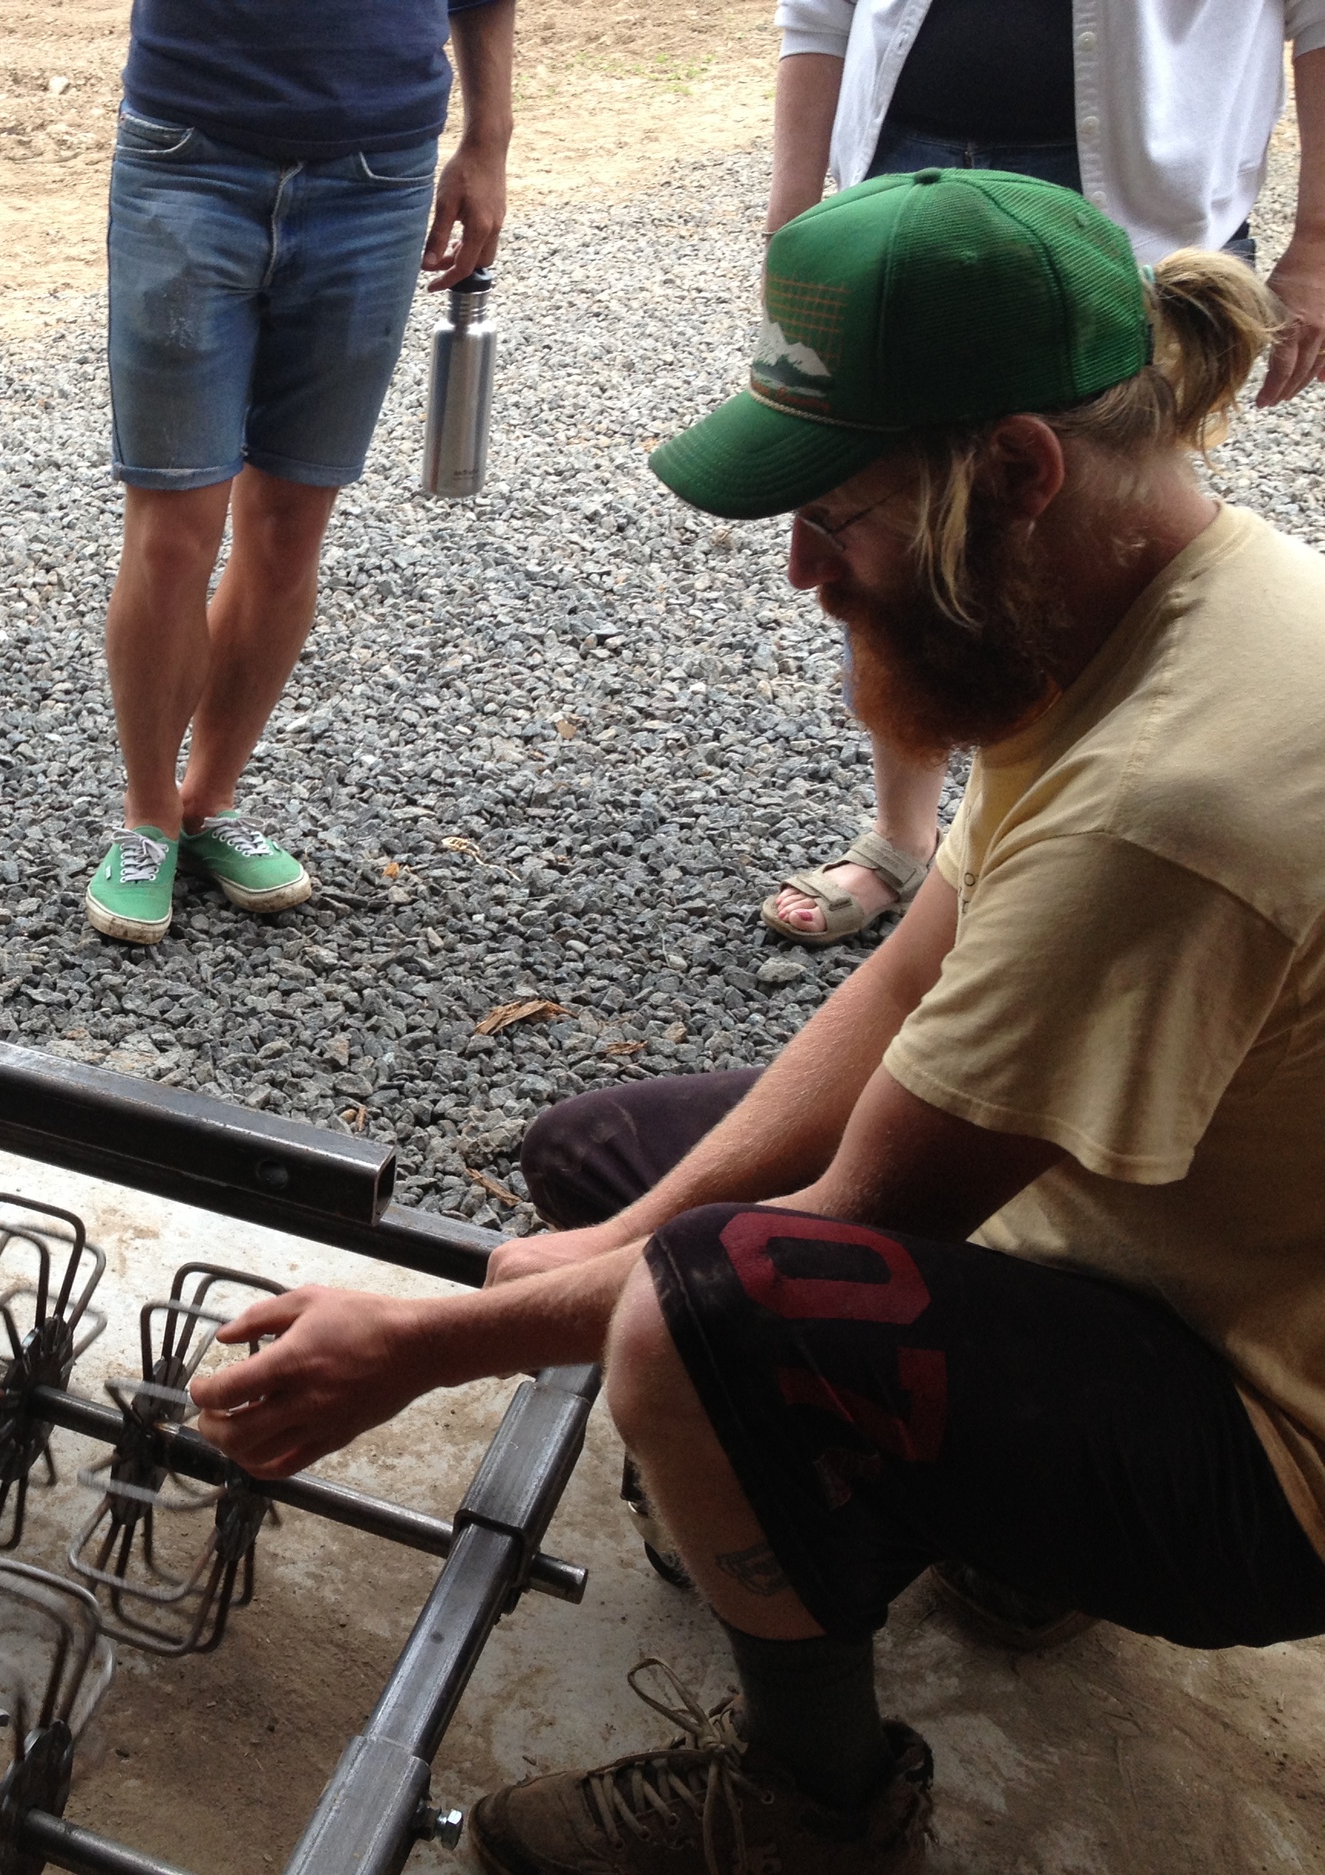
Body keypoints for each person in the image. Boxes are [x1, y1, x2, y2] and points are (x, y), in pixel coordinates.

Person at [184, 172, 1325, 1874]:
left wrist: (419, 1346)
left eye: (838, 515)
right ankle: (997, 1539)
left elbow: (854, 1225)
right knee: (603, 1178)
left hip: (1267, 1442)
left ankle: (816, 1806)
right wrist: (620, 1238)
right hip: (1144, 1254)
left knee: (696, 1328)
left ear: (1016, 468)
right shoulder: (1130, 597)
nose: (800, 571)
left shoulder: (1167, 799)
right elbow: (912, 969)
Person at [759, 0, 1325, 946]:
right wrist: (793, 214)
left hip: (1146, 200)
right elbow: (817, 14)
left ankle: (1075, 841)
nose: (796, 569)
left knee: (1096, 545)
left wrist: (1318, 243)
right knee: (886, 530)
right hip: (906, 164)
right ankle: (911, 838)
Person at [82, 0, 516, 944]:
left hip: (378, 170)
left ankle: (210, 801)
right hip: (188, 150)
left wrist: (489, 140)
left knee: (287, 532)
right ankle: (149, 815)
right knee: (171, 532)